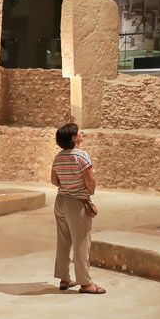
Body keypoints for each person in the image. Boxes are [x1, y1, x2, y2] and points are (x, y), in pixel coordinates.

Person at [51, 123, 106, 294]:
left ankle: (64, 279)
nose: (82, 133)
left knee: (63, 241)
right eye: (79, 132)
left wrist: (66, 184)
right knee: (81, 243)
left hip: (60, 201)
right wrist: (90, 190)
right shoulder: (82, 156)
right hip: (77, 203)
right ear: (74, 138)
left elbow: (54, 181)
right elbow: (89, 180)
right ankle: (85, 283)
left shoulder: (58, 157)